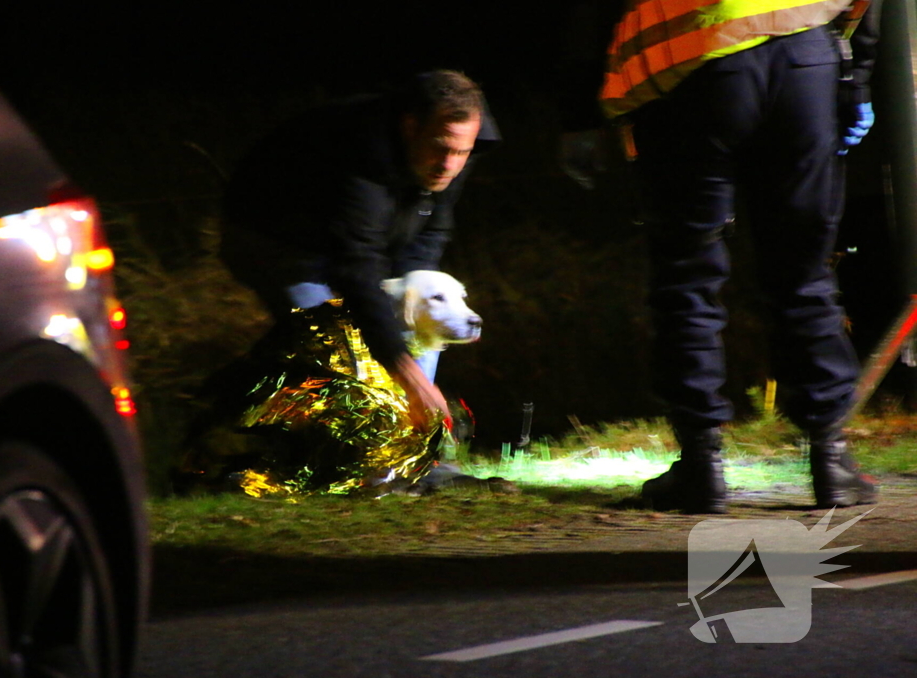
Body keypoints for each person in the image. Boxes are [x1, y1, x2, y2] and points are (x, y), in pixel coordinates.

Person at [562, 1, 883, 513]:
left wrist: (580, 114)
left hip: (687, 65)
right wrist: (856, 78)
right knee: (803, 269)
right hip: (803, 55)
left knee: (688, 276)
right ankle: (831, 459)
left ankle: (701, 466)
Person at [222, 70, 500, 430]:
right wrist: (407, 374)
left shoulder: (459, 141)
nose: (449, 164)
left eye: (461, 152)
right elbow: (357, 266)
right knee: (332, 344)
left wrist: (409, 318)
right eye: (440, 148)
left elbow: (432, 227)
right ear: (410, 126)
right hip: (276, 235)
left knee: (416, 315)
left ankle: (421, 454)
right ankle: (249, 430)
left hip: (356, 236)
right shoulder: (363, 150)